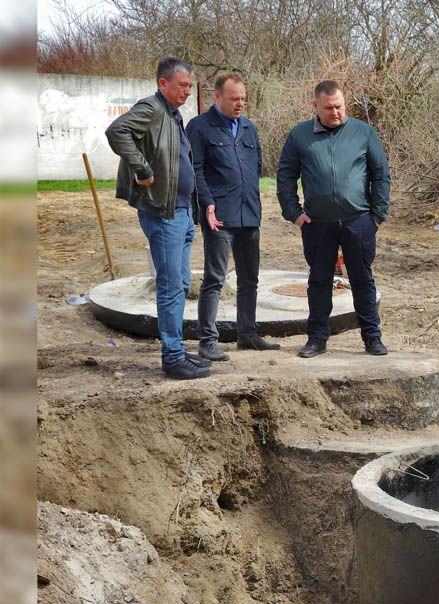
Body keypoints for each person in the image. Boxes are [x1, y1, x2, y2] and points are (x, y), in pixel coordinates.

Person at [106, 57, 210, 380]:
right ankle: (173, 356)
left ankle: (177, 348)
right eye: (182, 86)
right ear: (163, 84)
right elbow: (116, 130)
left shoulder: (173, 115)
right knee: (170, 286)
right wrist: (141, 167)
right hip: (163, 214)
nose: (187, 92)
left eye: (190, 87)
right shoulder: (152, 109)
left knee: (179, 283)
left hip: (180, 212)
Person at [276, 79, 391, 358]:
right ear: (315, 105)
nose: (335, 112)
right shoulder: (300, 136)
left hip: (358, 221)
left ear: (345, 103)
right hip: (317, 224)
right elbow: (285, 176)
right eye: (328, 108)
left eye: (339, 106)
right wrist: (294, 213)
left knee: (362, 279)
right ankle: (316, 338)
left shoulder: (363, 133)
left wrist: (377, 215)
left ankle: (372, 338)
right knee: (318, 281)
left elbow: (381, 175)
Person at [186, 71, 279, 360]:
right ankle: (207, 340)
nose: (240, 104)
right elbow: (195, 170)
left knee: (250, 278)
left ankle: (247, 334)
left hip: (249, 214)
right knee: (215, 278)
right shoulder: (199, 127)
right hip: (219, 216)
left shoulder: (249, 128)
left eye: (243, 99)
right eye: (234, 99)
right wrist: (207, 204)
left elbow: (257, 166)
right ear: (217, 97)